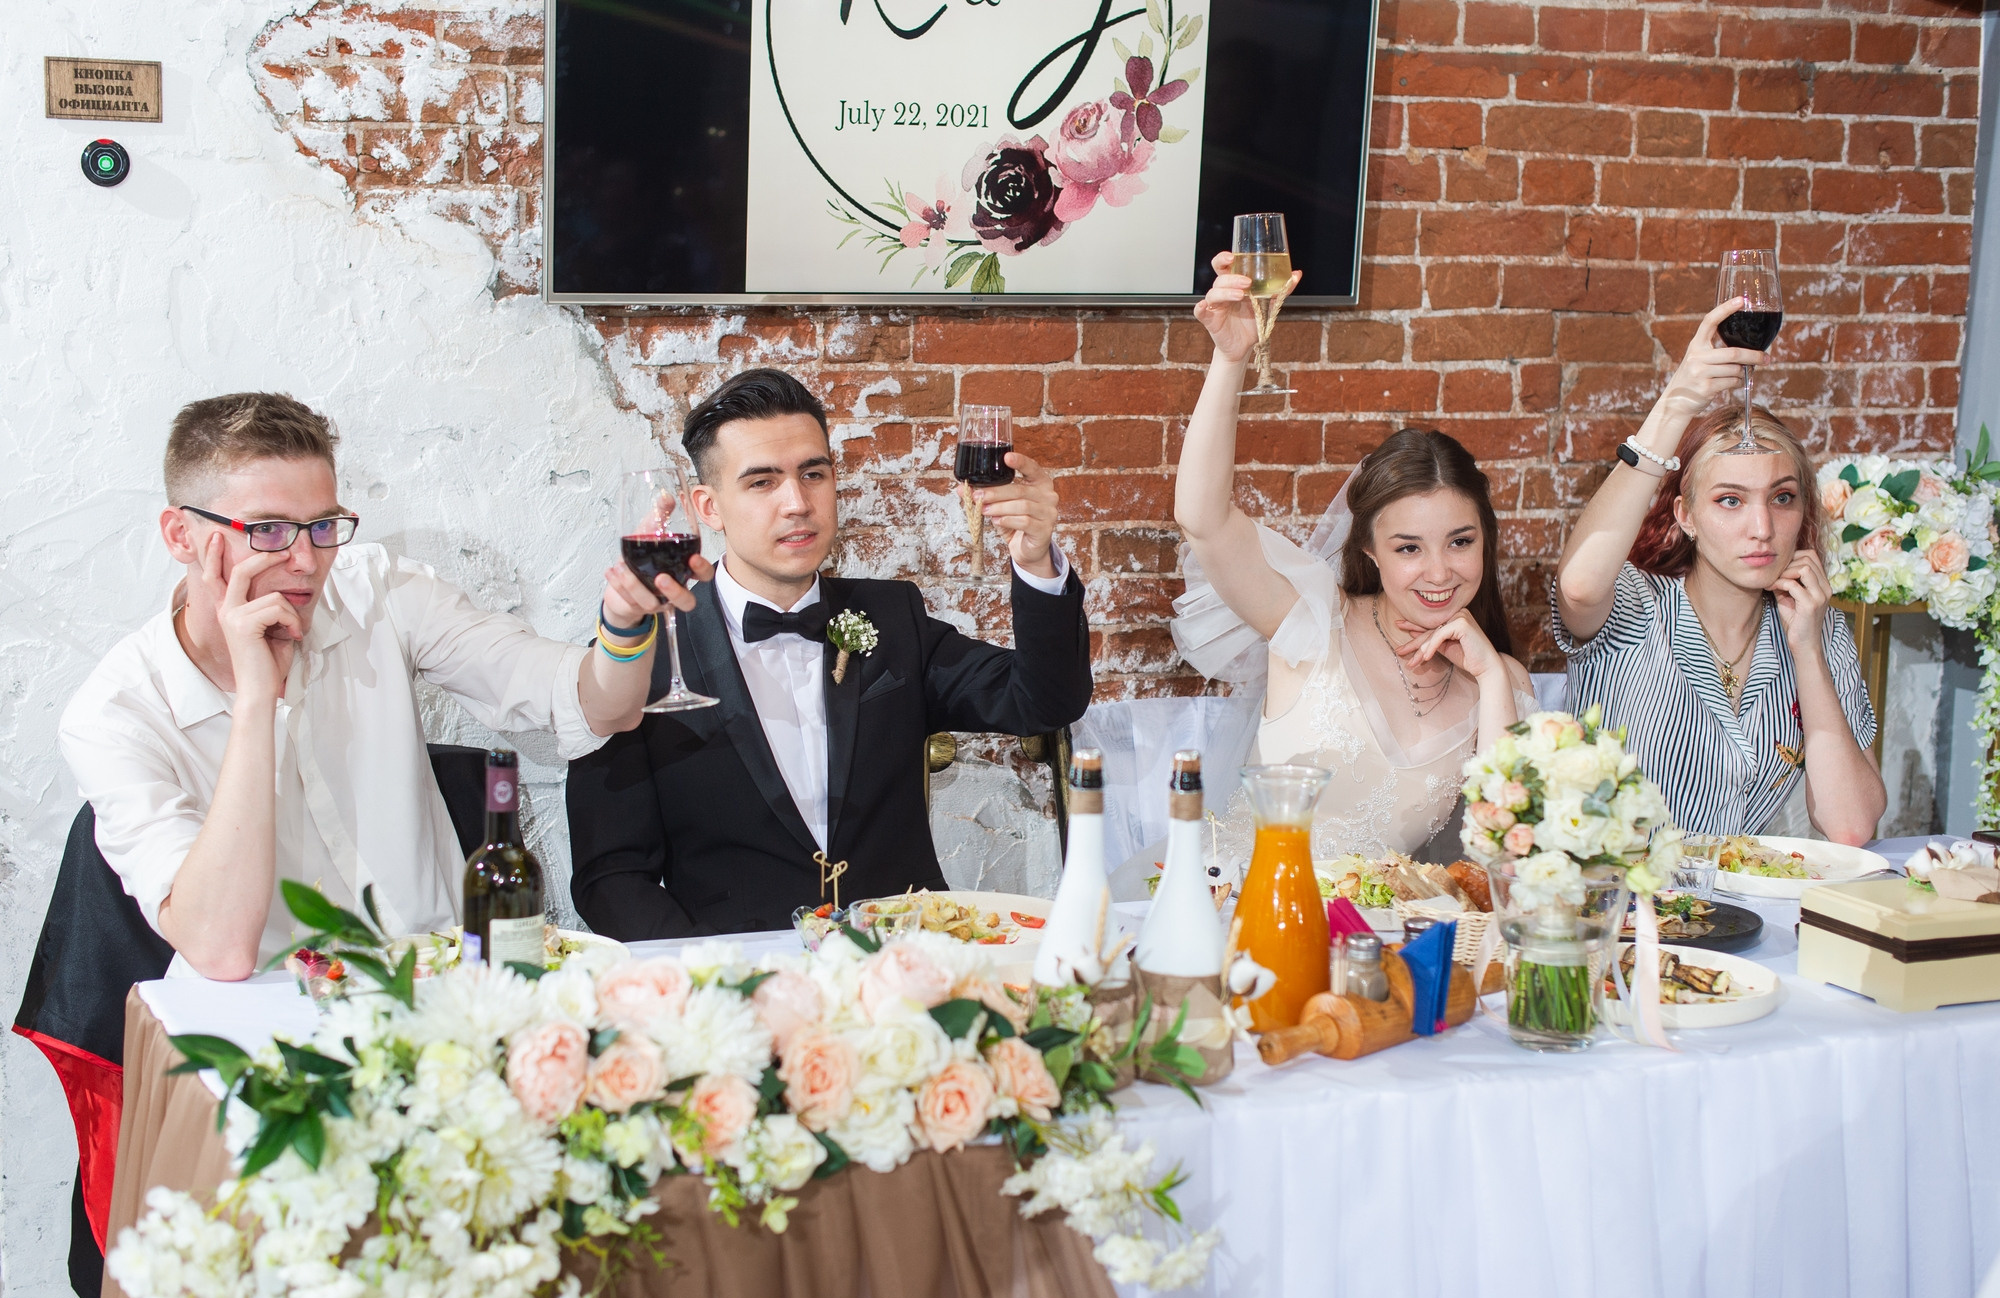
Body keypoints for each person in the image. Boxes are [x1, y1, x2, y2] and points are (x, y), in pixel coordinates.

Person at [59, 393, 696, 981]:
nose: (306, 562)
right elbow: (220, 950)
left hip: (444, 995)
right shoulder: (114, 716)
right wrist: (257, 703)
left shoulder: (377, 591)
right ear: (181, 536)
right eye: (268, 530)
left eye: (323, 526)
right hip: (268, 1024)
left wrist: (623, 622)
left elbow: (598, 705)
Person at [565, 369, 1093, 938]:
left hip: (905, 956)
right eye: (762, 482)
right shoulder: (632, 665)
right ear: (708, 508)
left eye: (813, 474)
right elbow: (611, 878)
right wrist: (716, 972)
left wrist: (1036, 564)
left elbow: (1043, 702)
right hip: (741, 969)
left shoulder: (893, 617)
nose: (797, 503)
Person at [1171, 254, 1537, 858]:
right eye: (1408, 548)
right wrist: (1230, 360)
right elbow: (1203, 522)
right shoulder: (1313, 621)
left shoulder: (1501, 683)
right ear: (1369, 548)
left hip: (1384, 919)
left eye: (1460, 542)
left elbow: (1508, 858)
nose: (1439, 572)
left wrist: (1493, 676)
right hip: (1252, 899)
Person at [1551, 299, 1883, 844]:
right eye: (1730, 500)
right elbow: (1579, 585)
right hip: (1615, 893)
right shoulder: (1634, 604)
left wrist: (1807, 651)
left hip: (1738, 896)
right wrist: (1678, 401)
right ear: (1686, 516)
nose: (1762, 528)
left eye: (1782, 497)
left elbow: (1851, 826)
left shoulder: (1818, 628)